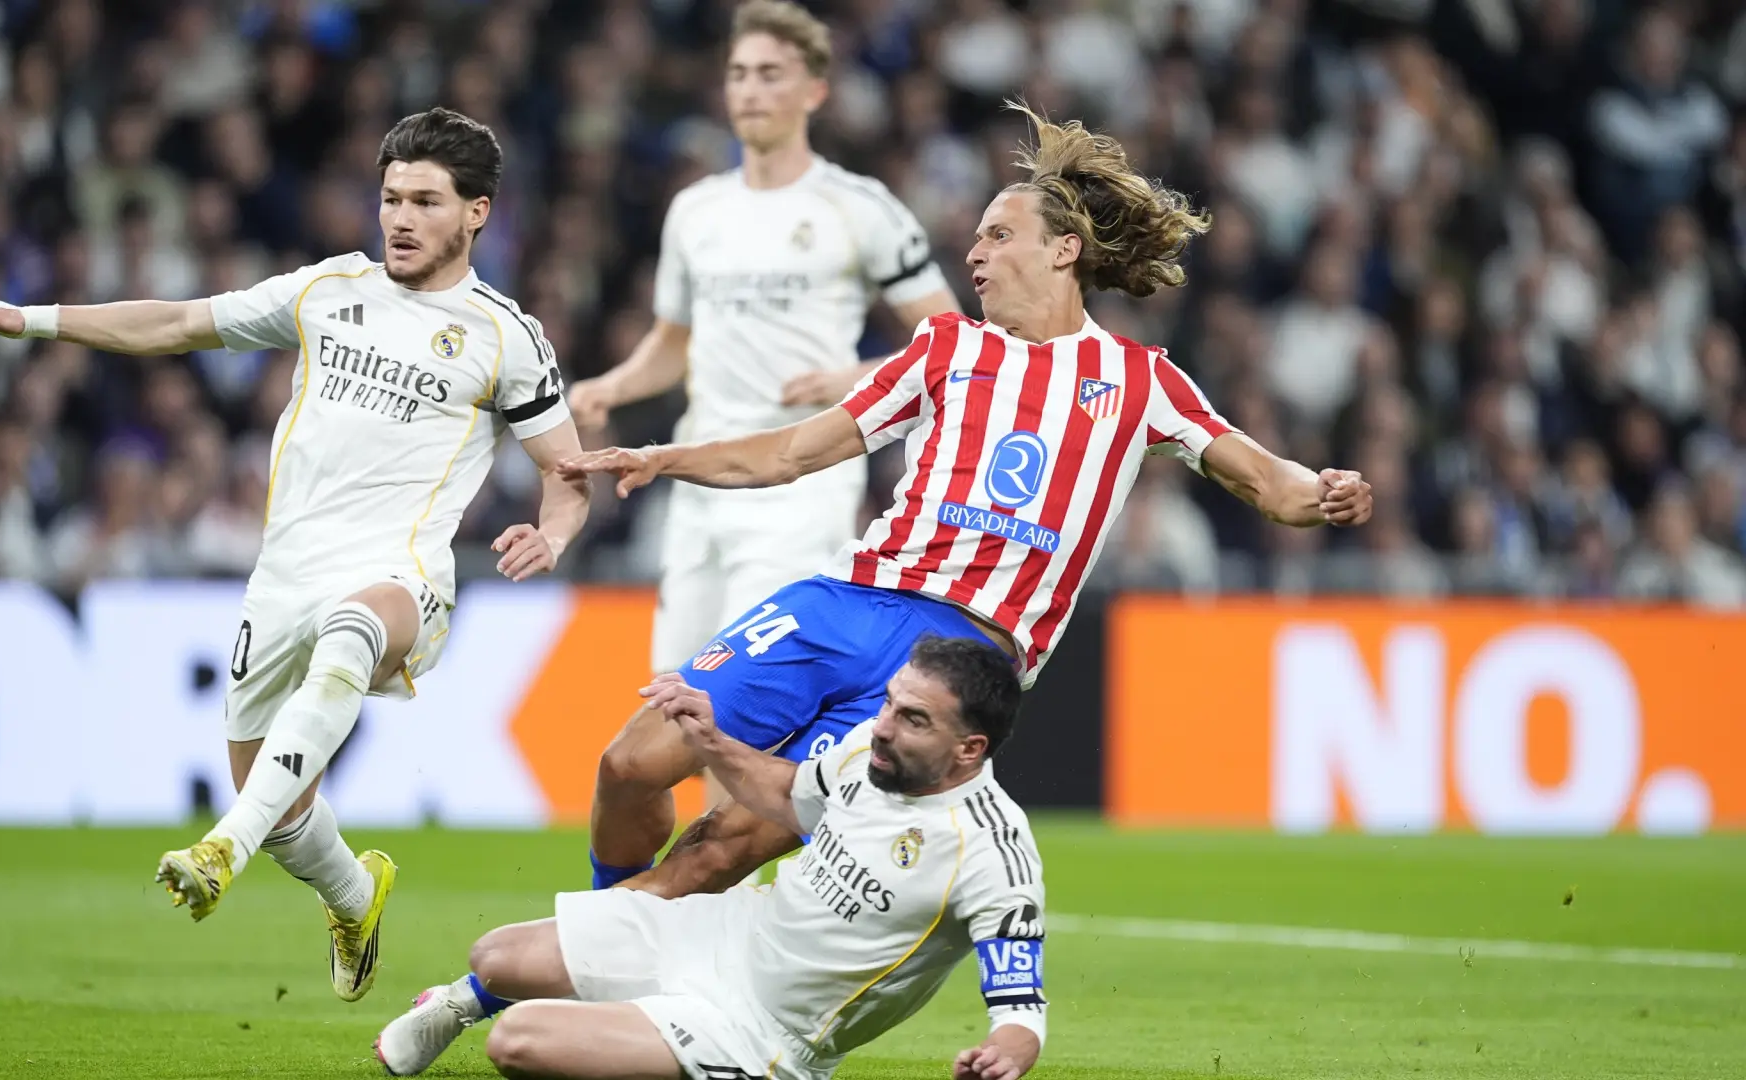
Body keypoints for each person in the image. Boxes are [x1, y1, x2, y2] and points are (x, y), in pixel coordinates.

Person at [559, 102, 1375, 897]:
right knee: (628, 764)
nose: (973, 252)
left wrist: (1326, 492)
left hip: (958, 660)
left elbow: (1270, 483)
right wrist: (663, 456)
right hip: (847, 602)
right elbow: (789, 451)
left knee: (722, 848)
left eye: (997, 234)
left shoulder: (1140, 379)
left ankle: (563, 975)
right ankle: (598, 931)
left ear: (1064, 249)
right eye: (977, 235)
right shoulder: (944, 349)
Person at [0, 107, 589, 1003]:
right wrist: (30, 318)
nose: (399, 217)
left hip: (403, 573)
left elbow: (569, 472)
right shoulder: (326, 289)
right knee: (283, 804)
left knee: (357, 628)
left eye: (425, 202)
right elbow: (176, 322)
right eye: (390, 197)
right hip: (284, 578)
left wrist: (551, 534)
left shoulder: (504, 334)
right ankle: (354, 893)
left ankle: (219, 848)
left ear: (477, 213)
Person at [567, 0, 961, 886]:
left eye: (771, 72)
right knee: (666, 714)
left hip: (798, 486)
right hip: (700, 488)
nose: (751, 89)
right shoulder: (696, 210)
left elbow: (951, 340)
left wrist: (861, 375)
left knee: (735, 724)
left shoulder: (859, 208)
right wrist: (612, 386)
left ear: (814, 88)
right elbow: (673, 340)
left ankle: (706, 917)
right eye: (739, 73)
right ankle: (623, 919)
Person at [373, 635, 1048, 1080]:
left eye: (914, 720)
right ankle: (457, 1004)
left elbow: (1021, 1010)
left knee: (517, 1041)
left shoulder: (993, 853)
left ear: (970, 749)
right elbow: (786, 793)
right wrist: (710, 738)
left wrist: (1002, 1057)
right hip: (725, 936)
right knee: (495, 957)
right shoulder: (863, 755)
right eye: (891, 704)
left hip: (765, 1030)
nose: (884, 726)